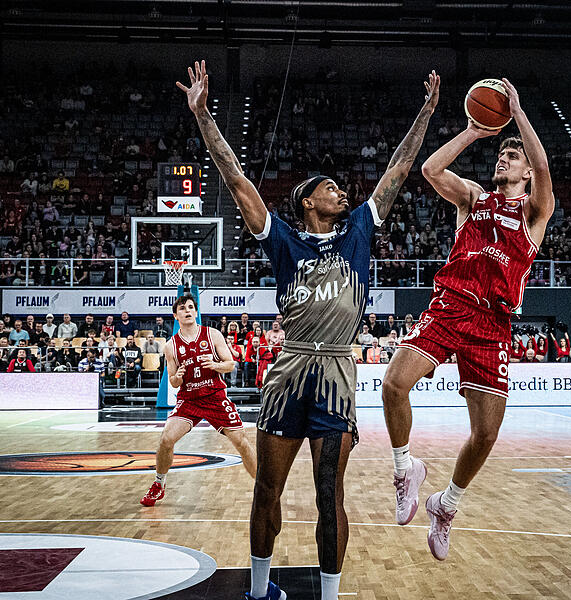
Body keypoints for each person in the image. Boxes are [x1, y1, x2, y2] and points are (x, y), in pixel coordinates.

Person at [179, 59, 438, 600]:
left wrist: (427, 112)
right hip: (290, 368)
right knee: (267, 489)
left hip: (337, 369)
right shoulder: (283, 239)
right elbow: (236, 179)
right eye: (332, 189)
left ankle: (330, 596)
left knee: (329, 495)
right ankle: (258, 590)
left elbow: (398, 169)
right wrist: (203, 115)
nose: (343, 194)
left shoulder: (359, 229)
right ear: (307, 200)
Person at [381, 77, 554, 560]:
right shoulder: (474, 198)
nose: (504, 160)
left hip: (493, 323)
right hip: (451, 305)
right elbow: (431, 169)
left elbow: (543, 166)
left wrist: (517, 112)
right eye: (502, 154)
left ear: (525, 172)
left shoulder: (535, 212)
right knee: (393, 384)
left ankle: (446, 505)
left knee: (486, 434)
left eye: (512, 157)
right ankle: (405, 470)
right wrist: (475, 131)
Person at [140, 293, 256, 507]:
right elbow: (173, 382)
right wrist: (178, 377)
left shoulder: (212, 335)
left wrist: (215, 365)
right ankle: (159, 483)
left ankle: (264, 487)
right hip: (189, 400)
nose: (187, 311)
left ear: (196, 312)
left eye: (190, 307)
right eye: (182, 308)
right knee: (166, 439)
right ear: (176, 316)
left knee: (241, 440)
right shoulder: (170, 346)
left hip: (214, 397)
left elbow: (230, 364)